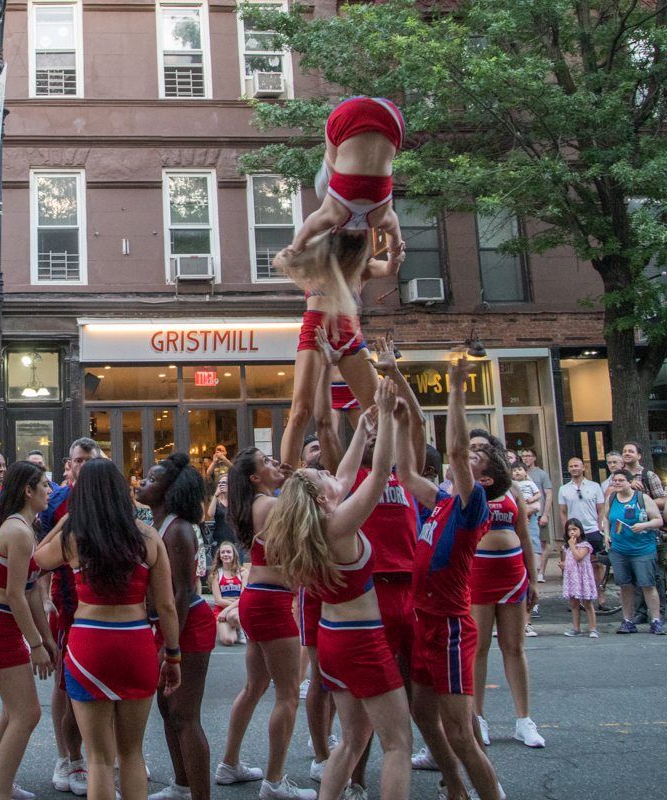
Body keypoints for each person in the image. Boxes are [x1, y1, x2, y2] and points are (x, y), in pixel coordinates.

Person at [268, 378, 410, 800]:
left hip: (331, 642)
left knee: (350, 740)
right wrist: (384, 417)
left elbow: (347, 473)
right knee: (398, 743)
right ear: (321, 497)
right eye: (323, 474)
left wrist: (364, 431)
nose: (332, 473)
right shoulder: (339, 524)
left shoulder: (314, 526)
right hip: (361, 641)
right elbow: (380, 472)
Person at [34, 458, 182, 800]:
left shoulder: (74, 537)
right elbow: (166, 606)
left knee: (98, 759)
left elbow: (39, 557)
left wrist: (68, 519)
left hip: (89, 643)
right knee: (131, 753)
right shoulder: (147, 538)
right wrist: (173, 656)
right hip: (135, 642)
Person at [394, 358, 507, 800]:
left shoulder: (471, 502)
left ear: (486, 476)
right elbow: (405, 473)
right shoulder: (440, 499)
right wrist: (398, 399)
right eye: (471, 451)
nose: (467, 454)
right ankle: (456, 788)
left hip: (450, 627)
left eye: (478, 455)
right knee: (423, 716)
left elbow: (456, 451)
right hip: (424, 620)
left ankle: (491, 794)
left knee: (461, 734)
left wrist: (456, 388)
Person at [219, 448, 314, 799]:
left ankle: (230, 764)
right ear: (256, 478)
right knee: (288, 693)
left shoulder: (262, 504)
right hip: (271, 600)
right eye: (267, 463)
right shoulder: (270, 506)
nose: (276, 464)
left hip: (257, 597)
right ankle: (274, 782)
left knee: (255, 686)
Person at [0, 460, 56, 800]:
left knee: (12, 710)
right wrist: (35, 644)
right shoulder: (18, 531)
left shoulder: (24, 528)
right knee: (27, 712)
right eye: (44, 485)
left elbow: (32, 591)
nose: (49, 491)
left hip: (0, 621)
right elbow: (17, 594)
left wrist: (46, 638)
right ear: (28, 490)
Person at [132, 454, 213, 800]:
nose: (143, 483)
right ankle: (182, 784)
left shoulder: (177, 528)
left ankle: (200, 794)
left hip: (187, 625)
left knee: (185, 714)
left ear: (168, 490)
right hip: (168, 626)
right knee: (168, 709)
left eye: (151, 480)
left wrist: (170, 646)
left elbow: (181, 592)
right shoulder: (158, 523)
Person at [275, 253, 399, 469]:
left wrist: (396, 253)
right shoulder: (316, 260)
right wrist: (291, 255)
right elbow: (280, 261)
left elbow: (389, 268)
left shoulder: (361, 264)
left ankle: (389, 478)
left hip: (348, 330)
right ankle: (286, 484)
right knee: (302, 412)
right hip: (318, 327)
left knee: (379, 413)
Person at [468, 437, 545, 750]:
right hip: (477, 575)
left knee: (515, 647)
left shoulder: (512, 488)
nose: (477, 453)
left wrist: (533, 579)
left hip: (512, 574)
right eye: (471, 449)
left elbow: (524, 534)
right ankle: (478, 717)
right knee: (479, 648)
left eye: (483, 448)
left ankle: (524, 720)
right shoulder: (464, 487)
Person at [39, 437, 104, 796]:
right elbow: (41, 554)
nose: (80, 466)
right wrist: (45, 598)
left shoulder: (111, 499)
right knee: (64, 685)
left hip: (108, 604)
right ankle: (68, 756)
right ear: (68, 464)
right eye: (75, 460)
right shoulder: (59, 501)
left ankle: (103, 755)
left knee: (101, 687)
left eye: (86, 460)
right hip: (68, 603)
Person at [289, 96, 405, 265]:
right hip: (348, 114)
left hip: (391, 118)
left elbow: (396, 245)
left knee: (381, 158)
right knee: (331, 162)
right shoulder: (332, 215)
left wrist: (394, 259)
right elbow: (300, 239)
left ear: (367, 237)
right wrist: (291, 254)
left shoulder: (382, 219)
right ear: (335, 230)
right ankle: (330, 171)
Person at [602, 469, 665, 634]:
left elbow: (658, 520)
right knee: (625, 586)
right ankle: (628, 620)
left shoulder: (642, 498)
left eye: (621, 480)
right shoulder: (612, 498)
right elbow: (606, 518)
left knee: (647, 584)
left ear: (629, 482)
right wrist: (607, 535)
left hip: (642, 549)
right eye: (614, 480)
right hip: (619, 549)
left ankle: (656, 620)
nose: (616, 483)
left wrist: (643, 525)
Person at [621, 442, 667, 623]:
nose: (627, 454)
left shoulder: (649, 476)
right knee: (633, 574)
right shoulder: (619, 476)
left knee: (654, 574)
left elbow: (663, 499)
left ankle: (660, 611)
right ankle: (640, 612)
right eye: (624, 451)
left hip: (649, 533)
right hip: (626, 534)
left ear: (639, 456)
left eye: (631, 451)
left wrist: (643, 504)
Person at [558, 458, 606, 609]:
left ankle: (600, 598)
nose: (574, 468)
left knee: (596, 565)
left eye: (576, 466)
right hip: (574, 533)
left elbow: (601, 509)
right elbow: (563, 512)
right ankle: (577, 598)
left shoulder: (594, 486)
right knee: (573, 564)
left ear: (583, 467)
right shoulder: (564, 489)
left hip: (592, 529)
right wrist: (566, 532)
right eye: (571, 466)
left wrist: (600, 528)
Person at [518, 449, 556, 581]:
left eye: (528, 456)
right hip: (522, 515)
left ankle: (541, 572)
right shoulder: (517, 474)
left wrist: (545, 514)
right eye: (523, 456)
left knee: (542, 542)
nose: (525, 458)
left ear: (534, 458)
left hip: (538, 513)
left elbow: (548, 494)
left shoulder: (541, 474)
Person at [559, 519, 598, 637]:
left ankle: (593, 629)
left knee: (587, 603)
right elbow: (569, 561)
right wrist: (563, 565)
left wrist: (572, 545)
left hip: (582, 577)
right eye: (569, 530)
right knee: (574, 604)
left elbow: (578, 557)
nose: (572, 532)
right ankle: (576, 628)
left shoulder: (585, 545)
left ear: (580, 530)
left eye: (574, 529)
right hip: (572, 577)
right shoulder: (566, 547)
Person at [209, 543, 246, 646]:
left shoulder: (243, 572)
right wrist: (225, 610)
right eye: (223, 552)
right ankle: (235, 628)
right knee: (228, 640)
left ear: (234, 554)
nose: (226, 554)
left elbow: (244, 598)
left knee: (233, 615)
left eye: (228, 552)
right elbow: (218, 600)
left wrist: (226, 610)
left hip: (237, 609)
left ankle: (240, 629)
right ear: (219, 556)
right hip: (221, 609)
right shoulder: (216, 574)